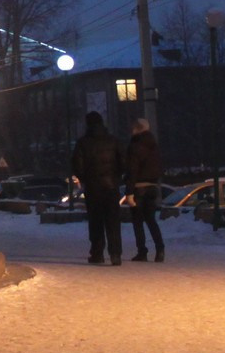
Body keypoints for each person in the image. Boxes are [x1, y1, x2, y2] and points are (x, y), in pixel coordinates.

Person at [70, 111, 125, 265]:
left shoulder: (83, 143)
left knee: (96, 222)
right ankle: (115, 254)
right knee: (113, 221)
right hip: (111, 186)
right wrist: (116, 177)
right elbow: (123, 162)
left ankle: (97, 253)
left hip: (93, 188)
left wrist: (85, 178)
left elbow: (77, 165)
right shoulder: (113, 141)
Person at [125, 117, 165, 263]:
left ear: (137, 128)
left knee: (138, 222)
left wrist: (129, 192)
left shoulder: (135, 146)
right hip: (153, 187)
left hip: (139, 188)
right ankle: (160, 249)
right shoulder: (154, 145)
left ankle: (142, 251)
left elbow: (132, 170)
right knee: (151, 220)